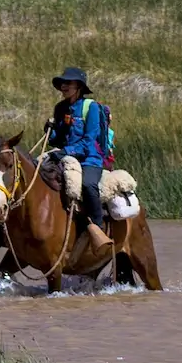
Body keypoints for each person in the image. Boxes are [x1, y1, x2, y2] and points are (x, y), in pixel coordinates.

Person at [46, 66, 114, 236]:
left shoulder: (91, 108)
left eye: (68, 83)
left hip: (89, 159)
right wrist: (50, 131)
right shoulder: (60, 108)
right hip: (65, 156)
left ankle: (97, 228)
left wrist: (65, 152)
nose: (63, 87)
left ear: (79, 86)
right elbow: (58, 139)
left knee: (88, 185)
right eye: (62, 83)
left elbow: (88, 141)